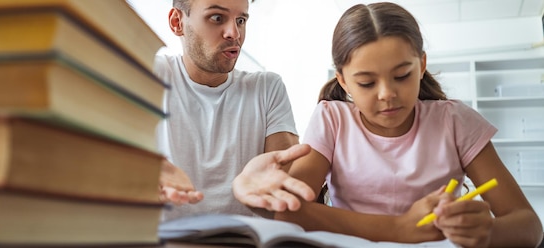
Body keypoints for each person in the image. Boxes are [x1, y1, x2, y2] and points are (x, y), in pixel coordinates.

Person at [232, 2, 544, 247]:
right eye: (366, 83)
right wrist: (398, 230)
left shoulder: (455, 120)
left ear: (421, 65)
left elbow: (528, 225)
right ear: (342, 80)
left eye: (402, 76)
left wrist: (487, 232)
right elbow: (289, 209)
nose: (387, 95)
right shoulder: (332, 119)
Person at [155, 0, 299, 221]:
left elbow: (287, 191)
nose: (234, 34)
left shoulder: (266, 88)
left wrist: (268, 188)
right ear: (177, 22)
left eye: (240, 20)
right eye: (217, 18)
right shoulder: (151, 74)